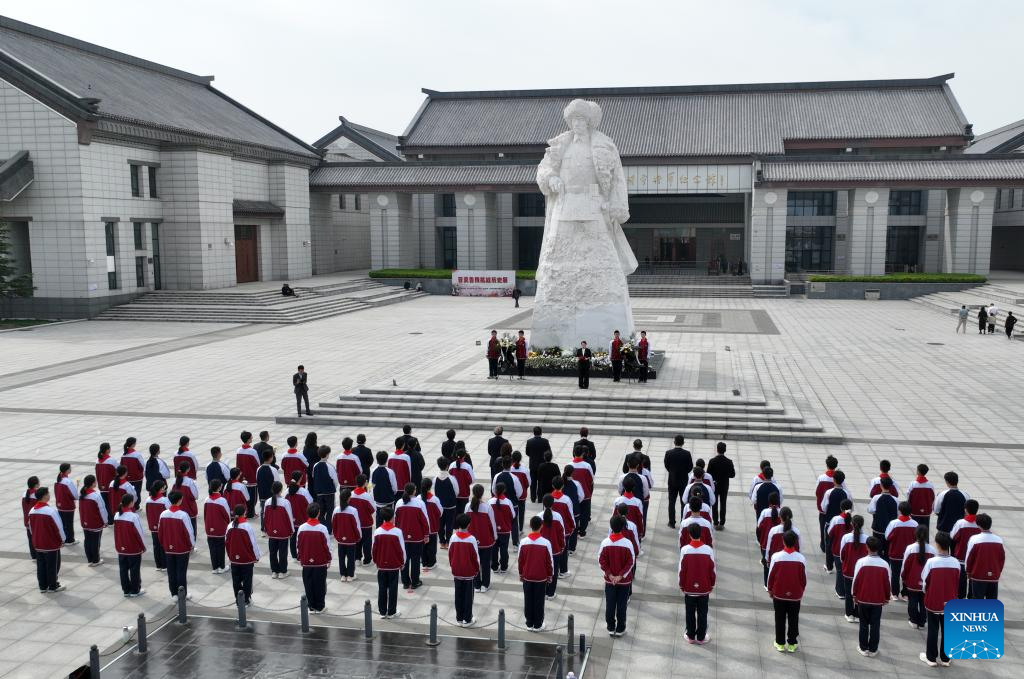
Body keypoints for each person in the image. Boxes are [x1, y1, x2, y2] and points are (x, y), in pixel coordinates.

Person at [919, 533, 958, 667]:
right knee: (947, 630)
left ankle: (931, 658)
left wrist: (927, 592)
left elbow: (925, 581)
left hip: (934, 600)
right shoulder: (955, 562)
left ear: (937, 544)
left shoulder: (932, 562)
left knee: (933, 629)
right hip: (950, 600)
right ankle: (945, 658)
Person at [851, 535, 891, 657]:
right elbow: (887, 583)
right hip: (877, 600)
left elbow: (855, 580)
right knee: (875, 625)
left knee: (863, 624)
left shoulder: (861, 562)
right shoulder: (884, 564)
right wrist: (887, 597)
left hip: (863, 598)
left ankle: (863, 648)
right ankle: (873, 649)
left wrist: (854, 595)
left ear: (867, 547)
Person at [767, 530, 805, 653]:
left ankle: (780, 643)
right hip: (795, 595)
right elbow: (803, 578)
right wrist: (801, 591)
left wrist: (770, 589)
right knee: (794, 618)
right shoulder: (801, 558)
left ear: (783, 542)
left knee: (779, 618)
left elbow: (771, 575)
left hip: (779, 594)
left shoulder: (776, 557)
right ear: (795, 542)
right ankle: (792, 643)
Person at [678, 523, 716, 644]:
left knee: (689, 612)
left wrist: (681, 585)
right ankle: (701, 637)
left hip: (689, 587)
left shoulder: (685, 550)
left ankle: (690, 635)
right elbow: (712, 569)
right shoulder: (708, 550)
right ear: (701, 533)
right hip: (704, 587)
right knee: (702, 613)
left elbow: (681, 570)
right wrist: (712, 584)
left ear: (689, 535)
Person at [518, 515, 555, 632]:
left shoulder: (523, 542)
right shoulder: (546, 543)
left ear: (530, 526)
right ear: (541, 526)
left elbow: (520, 560)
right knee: (539, 601)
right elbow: (549, 562)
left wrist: (521, 574)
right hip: (541, 577)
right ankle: (538, 624)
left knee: (528, 599)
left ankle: (529, 623)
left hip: (527, 576)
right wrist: (550, 575)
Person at [158, 489, 195, 601]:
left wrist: (164, 544)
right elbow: (189, 532)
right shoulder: (183, 515)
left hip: (168, 548)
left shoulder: (163, 514)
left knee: (171, 571)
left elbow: (160, 532)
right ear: (180, 500)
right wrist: (192, 544)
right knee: (181, 572)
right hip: (182, 548)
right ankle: (182, 594)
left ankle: (174, 594)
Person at [28, 486, 66, 592]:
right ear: (44, 496)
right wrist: (63, 539)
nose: (49, 495)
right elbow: (59, 527)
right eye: (48, 493)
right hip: (50, 544)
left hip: (38, 543)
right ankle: (53, 585)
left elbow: (31, 528)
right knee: (53, 565)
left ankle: (43, 586)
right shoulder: (50, 511)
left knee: (41, 565)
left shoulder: (32, 511)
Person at [297, 503, 331, 614]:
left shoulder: (302, 528)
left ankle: (311, 606)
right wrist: (329, 558)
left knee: (308, 584)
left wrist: (300, 557)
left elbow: (298, 544)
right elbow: (327, 546)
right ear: (318, 513)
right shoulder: (322, 528)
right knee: (320, 584)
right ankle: (320, 606)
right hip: (320, 562)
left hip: (306, 561)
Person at [372, 506, 405, 619]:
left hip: (381, 564)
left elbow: (374, 549)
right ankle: (391, 611)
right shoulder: (397, 532)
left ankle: (382, 612)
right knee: (393, 588)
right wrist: (402, 562)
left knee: (382, 588)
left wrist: (376, 561)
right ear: (392, 518)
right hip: (394, 565)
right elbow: (401, 550)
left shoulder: (377, 531)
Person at [394, 482, 428, 591]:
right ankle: (415, 581)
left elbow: (396, 520)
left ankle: (405, 582)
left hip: (402, 536)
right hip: (417, 537)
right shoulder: (419, 503)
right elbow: (425, 520)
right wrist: (426, 534)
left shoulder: (399, 503)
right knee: (415, 559)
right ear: (414, 491)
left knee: (404, 559)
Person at [449, 514, 480, 626]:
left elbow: (450, 554)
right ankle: (467, 619)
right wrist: (476, 570)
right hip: (468, 572)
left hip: (457, 571)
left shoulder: (453, 538)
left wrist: (453, 566)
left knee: (458, 595)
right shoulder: (471, 539)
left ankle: (459, 618)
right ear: (468, 524)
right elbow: (475, 557)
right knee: (468, 596)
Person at [901, 525, 935, 630]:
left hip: (912, 580)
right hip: (926, 581)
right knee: (923, 602)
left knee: (913, 601)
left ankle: (913, 620)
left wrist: (903, 577)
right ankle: (922, 621)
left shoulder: (910, 548)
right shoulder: (932, 550)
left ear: (915, 534)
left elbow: (905, 565)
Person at [225, 504, 260, 605]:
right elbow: (253, 543)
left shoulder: (230, 525)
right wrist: (257, 556)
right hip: (246, 559)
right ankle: (246, 600)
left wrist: (230, 555)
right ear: (244, 513)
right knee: (247, 580)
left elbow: (226, 542)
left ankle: (238, 599)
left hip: (234, 558)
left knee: (236, 580)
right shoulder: (247, 526)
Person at [883, 501, 918, 599]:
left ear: (899, 511)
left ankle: (894, 593)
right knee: (907, 573)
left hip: (895, 552)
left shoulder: (894, 523)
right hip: (910, 554)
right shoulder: (915, 524)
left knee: (895, 573)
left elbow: (887, 536)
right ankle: (905, 593)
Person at [964, 513, 1004, 599]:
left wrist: (968, 572)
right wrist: (998, 571)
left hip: (978, 576)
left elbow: (969, 558)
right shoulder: (999, 540)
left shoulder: (974, 539)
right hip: (994, 576)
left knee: (978, 601)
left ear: (978, 525)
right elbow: (1001, 559)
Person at [113, 493, 146, 597]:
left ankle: (126, 590)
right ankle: (135, 590)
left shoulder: (117, 515)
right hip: (133, 548)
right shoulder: (133, 516)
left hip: (121, 547)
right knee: (134, 569)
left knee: (123, 569)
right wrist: (143, 546)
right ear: (131, 503)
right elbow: (139, 533)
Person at [467, 483, 498, 592]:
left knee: (474, 562)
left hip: (472, 540)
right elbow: (492, 524)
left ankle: (476, 585)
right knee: (485, 563)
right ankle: (485, 585)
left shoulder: (468, 506)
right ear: (482, 493)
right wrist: (495, 536)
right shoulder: (487, 507)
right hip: (486, 540)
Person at [820, 469, 851, 574]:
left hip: (830, 522)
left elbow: (823, 507)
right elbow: (850, 508)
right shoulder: (846, 493)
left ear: (834, 480)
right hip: (844, 522)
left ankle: (829, 566)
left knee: (829, 544)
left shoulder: (829, 493)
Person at [839, 514, 868, 622]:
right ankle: (858, 614)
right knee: (859, 592)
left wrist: (845, 563)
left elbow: (842, 555)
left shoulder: (846, 538)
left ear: (851, 524)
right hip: (861, 572)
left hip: (848, 570)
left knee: (848, 593)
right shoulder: (867, 539)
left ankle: (849, 614)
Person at [950, 499, 981, 598]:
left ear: (965, 509)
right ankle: (971, 598)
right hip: (976, 558)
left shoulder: (961, 523)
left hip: (961, 556)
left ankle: (961, 598)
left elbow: (953, 536)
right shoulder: (980, 523)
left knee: (961, 581)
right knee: (973, 580)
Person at [537, 496, 566, 599]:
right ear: (553, 503)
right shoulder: (558, 516)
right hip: (555, 550)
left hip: (542, 550)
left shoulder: (539, 516)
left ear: (543, 504)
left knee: (543, 570)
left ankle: (543, 592)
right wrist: (562, 546)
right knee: (554, 571)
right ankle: (551, 593)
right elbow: (562, 534)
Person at [264, 481, 294, 580]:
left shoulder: (267, 502)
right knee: (282, 552)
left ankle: (274, 571)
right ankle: (282, 571)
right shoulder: (285, 502)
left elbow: (265, 517)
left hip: (271, 531)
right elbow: (289, 517)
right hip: (283, 532)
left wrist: (266, 529)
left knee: (272, 552)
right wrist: (292, 530)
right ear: (281, 490)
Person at [663, 435, 694, 529]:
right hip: (683, 480)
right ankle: (683, 520)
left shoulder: (669, 453)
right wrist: (684, 472)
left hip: (672, 480)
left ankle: (671, 522)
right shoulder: (687, 454)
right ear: (683, 443)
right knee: (683, 501)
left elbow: (667, 465)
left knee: (671, 502)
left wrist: (672, 471)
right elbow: (690, 467)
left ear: (674, 442)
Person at [332, 488, 360, 582]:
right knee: (351, 557)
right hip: (351, 538)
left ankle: (343, 575)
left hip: (340, 538)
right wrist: (358, 536)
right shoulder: (353, 510)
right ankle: (350, 575)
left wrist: (337, 535)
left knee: (341, 557)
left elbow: (333, 524)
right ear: (348, 498)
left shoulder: (336, 510)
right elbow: (357, 525)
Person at [79, 475, 108, 566]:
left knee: (87, 540)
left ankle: (90, 559)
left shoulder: (82, 494)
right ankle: (96, 560)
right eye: (95, 481)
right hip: (95, 523)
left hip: (85, 522)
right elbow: (102, 509)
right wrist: (105, 521)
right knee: (95, 542)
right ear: (92, 484)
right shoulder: (96, 496)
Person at [203, 480, 230, 574]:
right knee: (220, 548)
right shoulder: (222, 500)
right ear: (219, 488)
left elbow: (205, 513)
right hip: (220, 528)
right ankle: (221, 566)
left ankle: (214, 567)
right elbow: (227, 515)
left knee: (212, 548)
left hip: (209, 527)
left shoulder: (207, 499)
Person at [867, 477, 898, 557]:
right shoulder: (895, 499)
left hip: (878, 528)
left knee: (877, 550)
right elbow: (898, 513)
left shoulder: (876, 498)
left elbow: (870, 510)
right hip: (890, 530)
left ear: (881, 485)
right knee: (888, 551)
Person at [489, 482, 517, 573]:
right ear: (504, 490)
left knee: (494, 549)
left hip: (493, 530)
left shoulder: (490, 502)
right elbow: (513, 515)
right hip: (505, 530)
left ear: (495, 490)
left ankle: (494, 567)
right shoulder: (508, 502)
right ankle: (504, 567)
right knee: (504, 549)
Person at [706, 442, 735, 529]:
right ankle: (722, 522)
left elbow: (708, 474)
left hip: (715, 485)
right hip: (724, 485)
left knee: (714, 504)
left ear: (717, 449)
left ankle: (715, 522)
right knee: (723, 503)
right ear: (725, 450)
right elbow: (732, 475)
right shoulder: (729, 462)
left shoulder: (712, 461)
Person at [285, 473, 314, 561]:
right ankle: (302, 554)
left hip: (291, 520)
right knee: (302, 539)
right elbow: (311, 503)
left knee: (293, 538)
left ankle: (294, 556)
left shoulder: (287, 491)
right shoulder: (304, 492)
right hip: (303, 519)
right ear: (300, 479)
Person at [144, 480, 170, 572]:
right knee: (163, 545)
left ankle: (158, 565)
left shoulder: (148, 499)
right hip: (163, 526)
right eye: (164, 487)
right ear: (161, 488)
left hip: (153, 525)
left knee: (156, 545)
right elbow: (169, 511)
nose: (165, 488)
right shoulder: (164, 500)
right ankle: (164, 565)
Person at [349, 474, 375, 565]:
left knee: (357, 540)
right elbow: (373, 509)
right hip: (366, 522)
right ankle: (367, 560)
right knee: (367, 541)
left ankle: (357, 558)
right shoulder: (367, 496)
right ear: (365, 483)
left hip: (355, 523)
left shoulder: (351, 494)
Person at [171, 463, 200, 540]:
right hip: (189, 509)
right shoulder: (190, 481)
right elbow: (196, 496)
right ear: (188, 469)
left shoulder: (174, 480)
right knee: (191, 530)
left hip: (178, 510)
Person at [434, 458, 458, 549]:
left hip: (440, 505)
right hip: (450, 505)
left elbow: (434, 491)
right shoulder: (452, 478)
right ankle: (448, 542)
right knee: (449, 524)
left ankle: (441, 542)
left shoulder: (435, 478)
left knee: (440, 524)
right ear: (447, 466)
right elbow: (456, 491)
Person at [235, 431, 260, 518]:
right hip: (252, 478)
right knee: (253, 497)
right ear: (249, 439)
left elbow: (237, 464)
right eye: (251, 437)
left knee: (244, 496)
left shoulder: (238, 450)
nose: (252, 438)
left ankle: (245, 512)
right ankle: (251, 513)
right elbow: (257, 464)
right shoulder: (252, 451)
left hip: (241, 477)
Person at [54, 463, 79, 546]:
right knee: (69, 524)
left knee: (63, 523)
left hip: (60, 505)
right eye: (70, 468)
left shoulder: (57, 480)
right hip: (68, 506)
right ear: (67, 470)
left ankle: (64, 538)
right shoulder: (68, 482)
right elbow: (75, 495)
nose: (71, 469)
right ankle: (69, 540)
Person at [372, 451, 399, 526]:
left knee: (378, 519)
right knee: (390, 519)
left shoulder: (373, 471)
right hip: (388, 501)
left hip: (378, 501)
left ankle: (378, 531)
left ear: (377, 460)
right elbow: (395, 488)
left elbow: (372, 485)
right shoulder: (390, 472)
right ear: (386, 460)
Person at [256, 449, 280, 534]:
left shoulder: (259, 469)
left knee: (263, 511)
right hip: (271, 495)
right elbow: (277, 483)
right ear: (271, 458)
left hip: (262, 494)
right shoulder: (273, 469)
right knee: (272, 512)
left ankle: (263, 527)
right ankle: (271, 527)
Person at [420, 479, 442, 570]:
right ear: (430, 486)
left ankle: (424, 562)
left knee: (423, 545)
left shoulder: (417, 498)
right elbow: (440, 512)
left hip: (421, 527)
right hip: (432, 526)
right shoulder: (434, 499)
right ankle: (431, 563)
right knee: (432, 546)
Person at [312, 445, 338, 522]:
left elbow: (314, 476)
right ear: (327, 454)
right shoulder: (330, 466)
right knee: (330, 511)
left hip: (319, 492)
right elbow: (335, 480)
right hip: (329, 492)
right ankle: (329, 526)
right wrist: (333, 488)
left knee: (321, 512)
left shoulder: (315, 465)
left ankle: (322, 524)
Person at [906, 463, 934, 531]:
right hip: (926, 512)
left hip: (914, 511)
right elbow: (933, 498)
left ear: (918, 471)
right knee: (925, 530)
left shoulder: (913, 484)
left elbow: (908, 497)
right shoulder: (930, 485)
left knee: (915, 530)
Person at [95, 443, 118, 524]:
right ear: (107, 450)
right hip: (110, 486)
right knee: (111, 504)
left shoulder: (97, 461)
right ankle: (111, 520)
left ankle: (108, 520)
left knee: (105, 504)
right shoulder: (112, 461)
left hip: (101, 486)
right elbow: (117, 471)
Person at [509, 452, 531, 533]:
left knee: (512, 512)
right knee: (521, 512)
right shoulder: (525, 470)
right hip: (522, 495)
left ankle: (512, 529)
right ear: (520, 458)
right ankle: (520, 528)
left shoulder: (510, 469)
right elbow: (528, 483)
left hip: (512, 494)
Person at [22, 476, 40, 559]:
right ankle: (38, 555)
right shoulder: (37, 495)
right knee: (37, 538)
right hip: (35, 521)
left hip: (27, 520)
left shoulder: (25, 494)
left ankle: (33, 555)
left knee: (30, 538)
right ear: (36, 484)